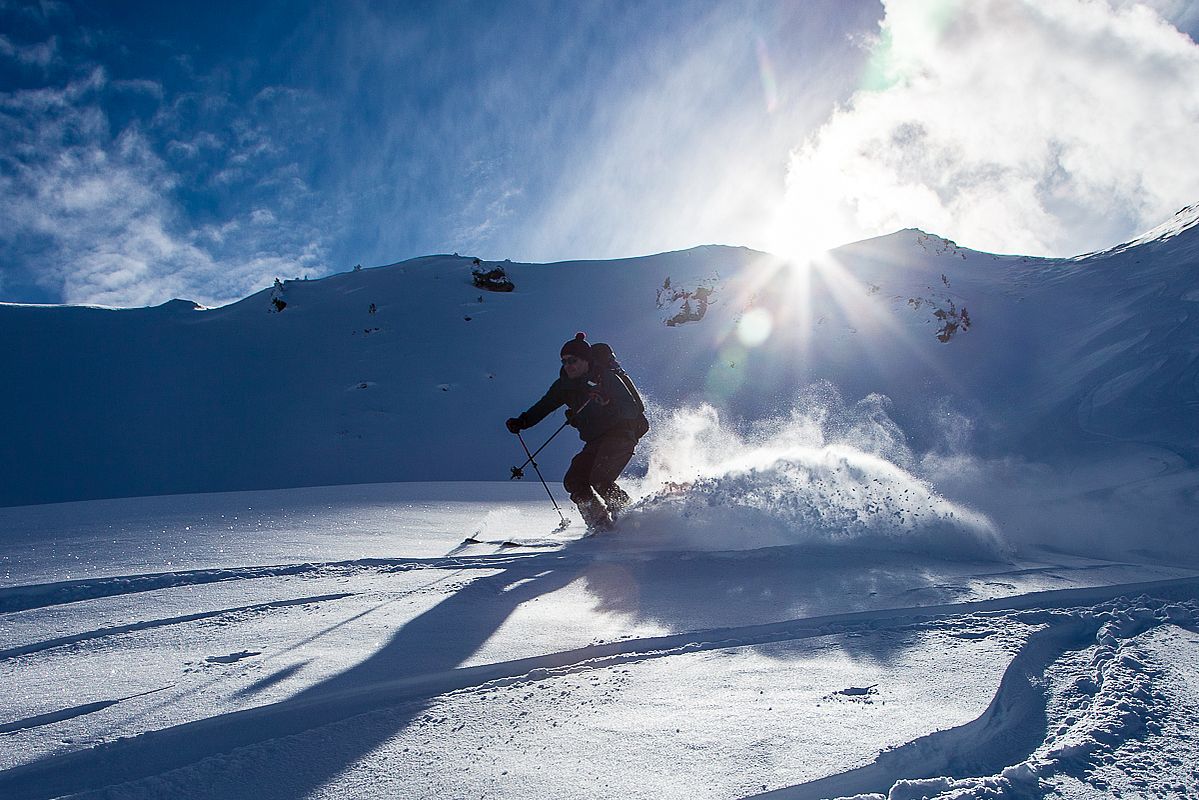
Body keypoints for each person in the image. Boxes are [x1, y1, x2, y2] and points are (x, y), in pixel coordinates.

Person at [506, 333, 649, 531]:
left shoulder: (606, 377)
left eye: (573, 360)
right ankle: (600, 527)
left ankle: (631, 520)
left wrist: (607, 403)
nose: (568, 365)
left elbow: (633, 409)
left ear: (586, 361)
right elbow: (544, 406)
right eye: (564, 361)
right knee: (574, 480)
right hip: (595, 439)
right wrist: (523, 421)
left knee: (600, 478)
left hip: (621, 434)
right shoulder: (564, 385)